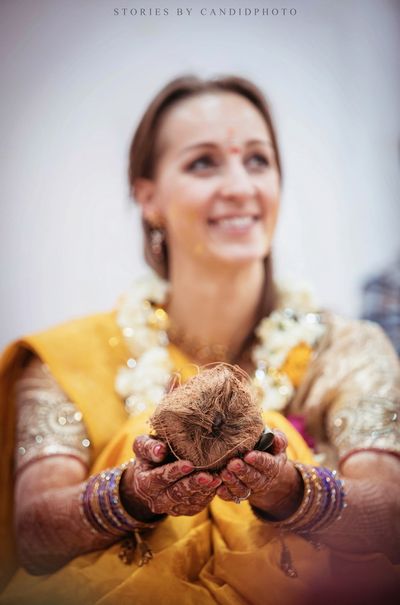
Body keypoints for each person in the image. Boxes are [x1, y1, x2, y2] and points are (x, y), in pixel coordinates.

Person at [0, 75, 399, 605]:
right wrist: (135, 492)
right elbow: (34, 533)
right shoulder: (66, 360)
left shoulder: (347, 352)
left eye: (258, 160)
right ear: (148, 198)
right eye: (203, 163)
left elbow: (390, 515)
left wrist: (286, 488)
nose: (240, 186)